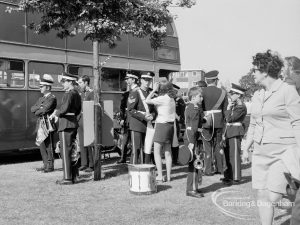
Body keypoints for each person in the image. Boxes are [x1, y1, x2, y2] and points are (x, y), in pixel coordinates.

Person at [242, 50, 300, 225]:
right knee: (262, 195)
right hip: (260, 152)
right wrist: (246, 148)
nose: (253, 73)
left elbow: (297, 122)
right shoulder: (258, 95)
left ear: (264, 71)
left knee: (272, 196)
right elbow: (253, 124)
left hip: (282, 151)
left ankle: (293, 199)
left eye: (255, 70)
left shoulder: (287, 90)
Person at [49, 72, 82, 185]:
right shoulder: (77, 94)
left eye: (64, 82)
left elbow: (64, 109)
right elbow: (77, 111)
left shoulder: (68, 94)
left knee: (65, 152)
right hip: (72, 123)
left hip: (66, 124)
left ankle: (67, 178)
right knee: (72, 151)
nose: (63, 84)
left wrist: (56, 113)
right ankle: (74, 176)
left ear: (70, 82)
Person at [145, 81, 176, 182]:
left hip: (162, 125)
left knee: (157, 151)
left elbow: (147, 100)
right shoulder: (172, 98)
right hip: (170, 126)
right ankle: (169, 176)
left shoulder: (162, 98)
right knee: (167, 152)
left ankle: (160, 175)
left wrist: (154, 90)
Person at [201, 70, 228, 176]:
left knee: (207, 146)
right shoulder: (223, 92)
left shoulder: (202, 92)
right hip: (218, 121)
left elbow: (199, 108)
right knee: (218, 145)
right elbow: (225, 110)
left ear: (207, 81)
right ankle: (220, 168)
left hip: (206, 120)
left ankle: (207, 169)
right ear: (216, 80)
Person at [221, 83, 247, 185]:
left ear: (239, 95)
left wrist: (227, 109)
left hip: (235, 131)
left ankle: (236, 177)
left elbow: (230, 118)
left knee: (234, 156)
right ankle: (228, 176)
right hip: (229, 131)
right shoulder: (233, 105)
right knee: (227, 156)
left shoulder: (240, 107)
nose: (230, 96)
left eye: (233, 94)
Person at [127, 72, 155, 164]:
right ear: (141, 80)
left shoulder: (152, 93)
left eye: (149, 80)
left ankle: (144, 170)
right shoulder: (135, 92)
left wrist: (152, 116)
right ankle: (133, 171)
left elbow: (154, 110)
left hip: (148, 125)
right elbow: (130, 109)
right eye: (145, 80)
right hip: (137, 125)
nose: (147, 82)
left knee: (146, 149)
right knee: (136, 149)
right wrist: (144, 116)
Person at [31, 74, 57, 173]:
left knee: (48, 145)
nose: (40, 88)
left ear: (47, 87)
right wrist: (39, 108)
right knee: (42, 144)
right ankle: (45, 164)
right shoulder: (41, 98)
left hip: (47, 124)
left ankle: (50, 166)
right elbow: (32, 109)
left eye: (41, 86)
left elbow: (44, 110)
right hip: (40, 123)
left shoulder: (52, 98)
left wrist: (40, 108)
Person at [184, 87, 205, 198]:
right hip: (192, 138)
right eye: (199, 96)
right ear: (193, 97)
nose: (201, 98)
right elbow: (191, 127)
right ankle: (191, 189)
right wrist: (191, 142)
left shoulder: (196, 107)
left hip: (195, 137)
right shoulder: (192, 108)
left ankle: (194, 187)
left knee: (196, 164)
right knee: (194, 164)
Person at [77, 75, 94, 172]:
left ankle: (91, 165)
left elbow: (92, 108)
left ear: (86, 82)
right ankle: (84, 163)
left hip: (87, 119)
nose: (79, 85)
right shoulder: (81, 93)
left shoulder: (91, 93)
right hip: (80, 119)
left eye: (80, 83)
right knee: (82, 143)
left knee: (89, 143)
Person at [116, 77, 131, 164]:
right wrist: (121, 118)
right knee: (125, 141)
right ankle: (123, 158)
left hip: (134, 119)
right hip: (126, 119)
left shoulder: (136, 93)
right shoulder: (125, 95)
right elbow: (122, 108)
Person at [172, 84, 186, 165]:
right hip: (167, 122)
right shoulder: (168, 99)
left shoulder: (179, 100)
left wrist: (180, 121)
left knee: (175, 142)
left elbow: (182, 113)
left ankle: (175, 159)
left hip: (176, 123)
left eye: (175, 91)